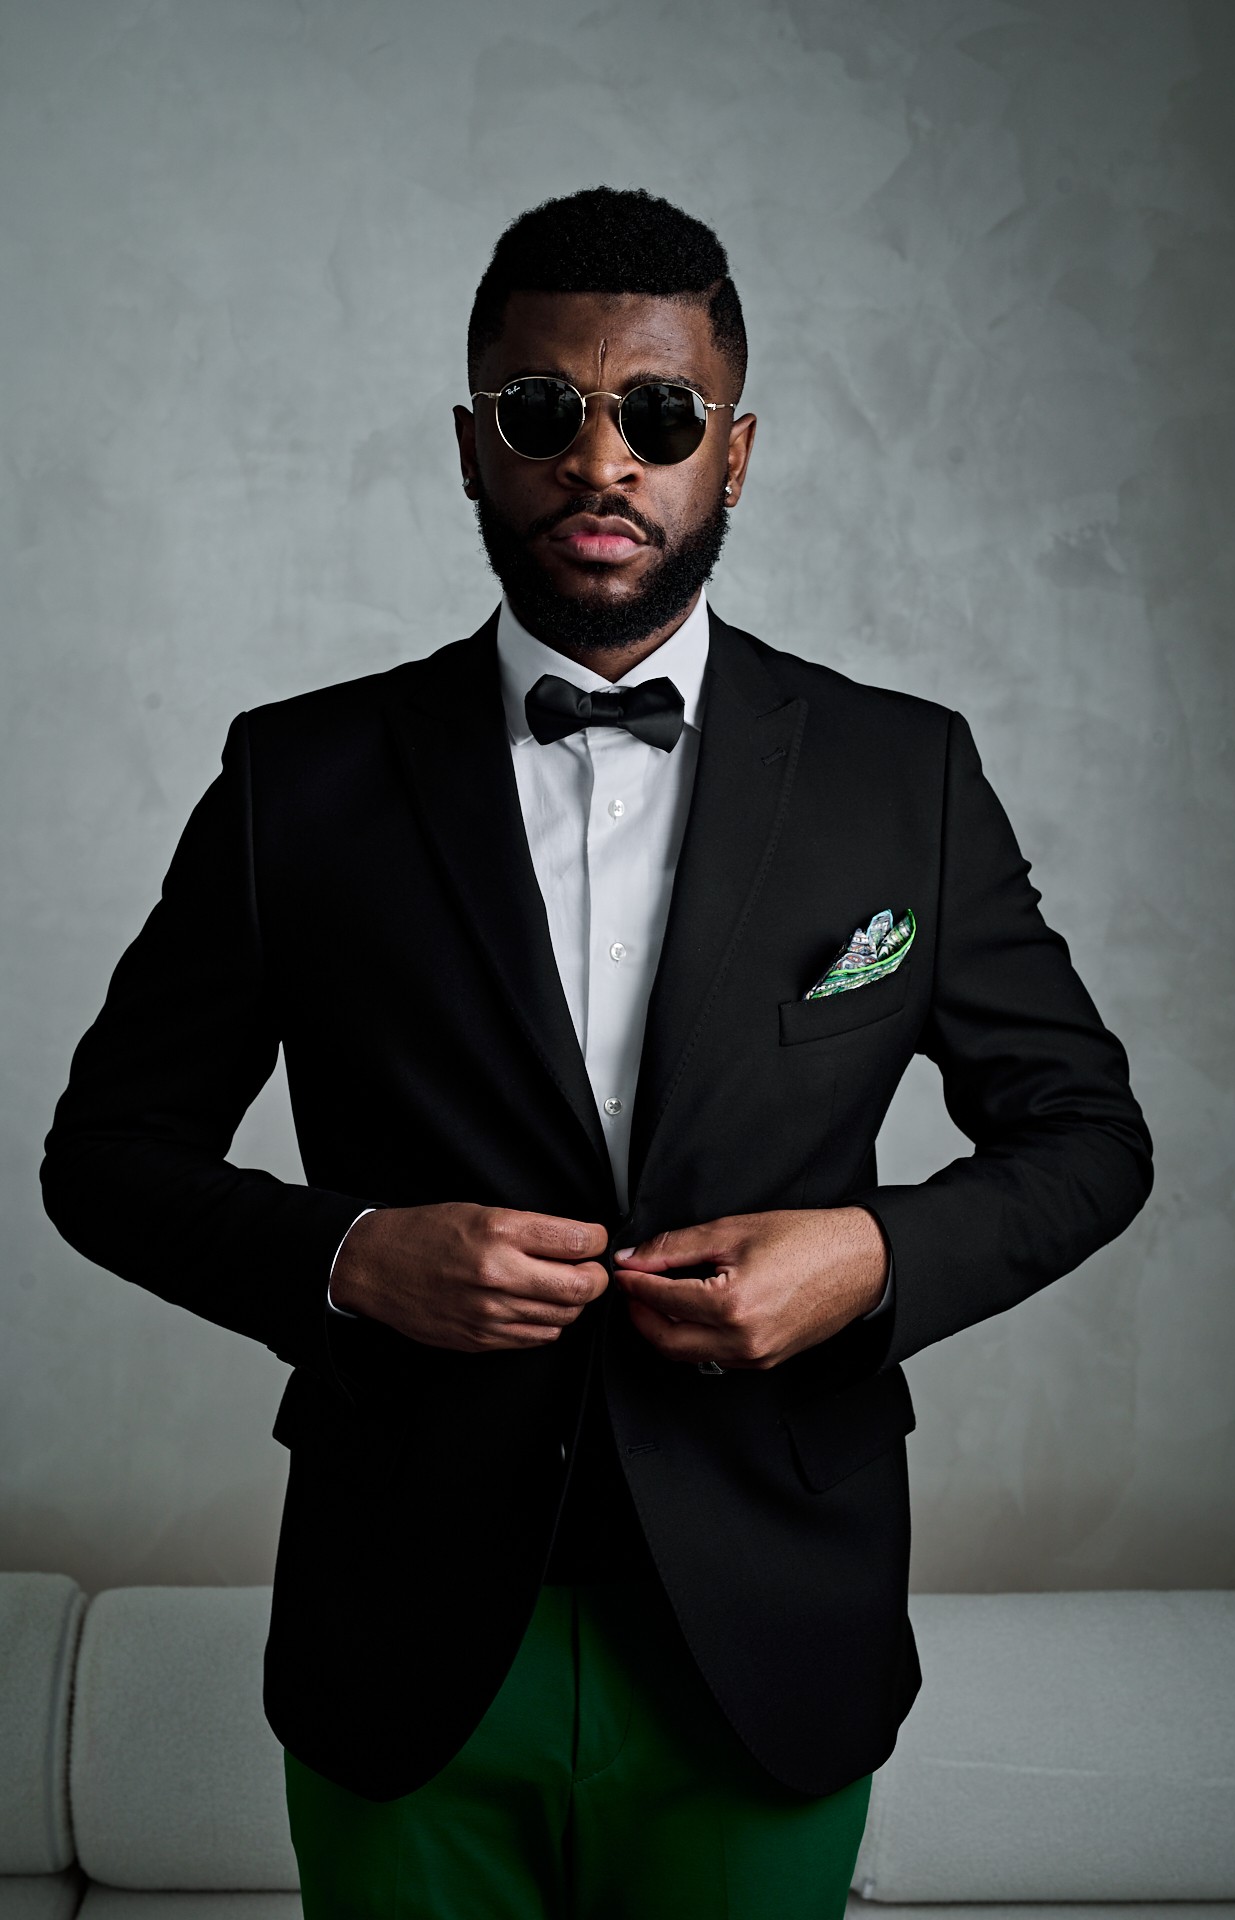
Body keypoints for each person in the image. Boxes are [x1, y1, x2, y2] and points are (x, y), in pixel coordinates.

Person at [41, 185, 1154, 1920]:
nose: (603, 462)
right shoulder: (295, 780)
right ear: (474, 445)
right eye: (546, 414)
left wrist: (868, 1258)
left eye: (659, 414)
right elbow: (101, 1156)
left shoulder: (902, 775)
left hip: (768, 1639)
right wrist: (347, 1257)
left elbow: (1086, 1131)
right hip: (401, 1637)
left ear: (735, 447)